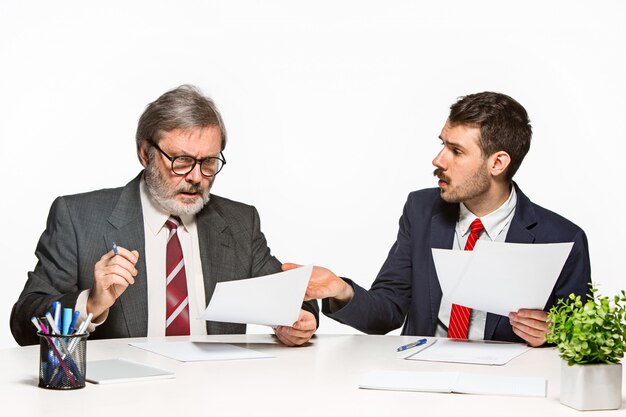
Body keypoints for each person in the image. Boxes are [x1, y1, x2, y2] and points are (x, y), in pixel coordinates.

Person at [11, 84, 318, 347]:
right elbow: (24, 323)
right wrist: (90, 303)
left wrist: (298, 321)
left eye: (209, 162)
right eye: (182, 160)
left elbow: (293, 301)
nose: (197, 177)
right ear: (145, 153)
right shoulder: (78, 219)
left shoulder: (239, 222)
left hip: (218, 396)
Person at [284, 91, 591, 347]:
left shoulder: (563, 238)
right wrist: (341, 291)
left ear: (498, 163)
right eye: (443, 143)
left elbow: (586, 339)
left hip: (505, 385)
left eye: (456, 151)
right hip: (422, 375)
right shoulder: (421, 210)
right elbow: (388, 310)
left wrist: (555, 334)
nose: (438, 160)